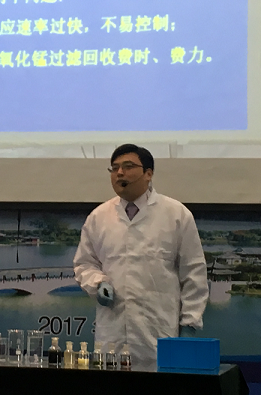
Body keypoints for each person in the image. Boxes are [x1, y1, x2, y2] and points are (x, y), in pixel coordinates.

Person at [73, 144, 209, 371]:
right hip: (112, 333)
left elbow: (194, 272)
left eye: (128, 167)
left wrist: (190, 323)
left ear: (148, 173)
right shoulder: (99, 217)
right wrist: (98, 282)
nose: (120, 173)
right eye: (114, 168)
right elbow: (84, 263)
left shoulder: (176, 214)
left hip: (159, 332)